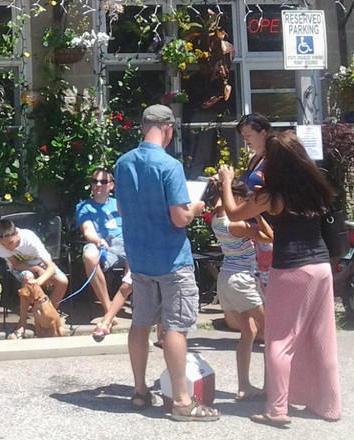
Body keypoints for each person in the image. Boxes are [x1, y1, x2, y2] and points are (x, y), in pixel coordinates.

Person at [219, 131, 341, 427]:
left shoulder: (272, 195)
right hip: (321, 267)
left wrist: (225, 182)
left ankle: (277, 409)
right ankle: (329, 406)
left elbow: (234, 214)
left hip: (290, 269)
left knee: (279, 340)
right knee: (322, 337)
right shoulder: (315, 187)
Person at [113, 104, 218, 421]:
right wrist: (197, 207)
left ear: (144, 126)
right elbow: (179, 217)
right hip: (172, 260)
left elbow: (121, 210)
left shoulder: (122, 163)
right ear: (168, 128)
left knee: (140, 324)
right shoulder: (169, 166)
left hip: (140, 259)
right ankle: (183, 402)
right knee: (175, 328)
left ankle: (139, 391)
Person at [205, 176, 270, 402]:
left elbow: (221, 204)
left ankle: (244, 386)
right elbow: (269, 237)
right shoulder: (238, 225)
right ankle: (271, 386)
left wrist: (223, 184)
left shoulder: (217, 219)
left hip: (227, 279)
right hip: (242, 280)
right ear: (237, 197)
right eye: (244, 199)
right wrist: (257, 213)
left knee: (248, 332)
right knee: (270, 330)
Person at [74, 169, 131, 338]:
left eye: (103, 182)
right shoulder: (84, 206)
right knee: (89, 256)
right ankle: (109, 310)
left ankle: (141, 309)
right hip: (103, 245)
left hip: (127, 244)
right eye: (95, 181)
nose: (98, 185)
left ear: (111, 186)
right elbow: (87, 230)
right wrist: (98, 241)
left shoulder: (120, 203)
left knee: (139, 257)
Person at [0, 218, 69, 339]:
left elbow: (51, 267)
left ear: (16, 233)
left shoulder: (30, 238)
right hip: (21, 267)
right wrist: (37, 270)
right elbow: (16, 264)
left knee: (62, 281)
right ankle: (22, 323)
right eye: (4, 245)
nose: (8, 247)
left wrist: (41, 279)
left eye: (11, 243)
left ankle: (47, 317)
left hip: (42, 263)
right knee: (28, 277)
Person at [237, 113, 274, 289]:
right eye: (243, 136)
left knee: (268, 283)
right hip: (252, 226)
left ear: (263, 133)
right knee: (256, 283)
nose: (246, 140)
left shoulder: (273, 158)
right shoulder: (254, 158)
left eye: (249, 135)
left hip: (268, 226)